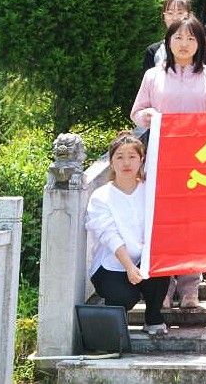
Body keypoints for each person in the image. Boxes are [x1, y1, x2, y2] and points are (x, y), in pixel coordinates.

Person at [131, 17, 206, 309]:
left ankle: (190, 288)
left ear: (200, 44)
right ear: (168, 41)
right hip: (163, 160)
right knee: (163, 225)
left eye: (191, 38)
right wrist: (149, 116)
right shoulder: (153, 76)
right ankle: (163, 287)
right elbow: (137, 112)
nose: (184, 44)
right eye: (178, 38)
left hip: (198, 162)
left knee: (193, 225)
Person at [86, 132, 170, 336]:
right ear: (111, 162)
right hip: (112, 265)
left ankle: (153, 317)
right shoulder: (101, 196)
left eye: (132, 157)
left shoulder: (150, 191)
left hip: (145, 260)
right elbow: (110, 235)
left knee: (160, 272)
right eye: (120, 157)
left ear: (141, 160)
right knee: (125, 296)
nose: (126, 163)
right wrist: (130, 268)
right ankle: (114, 318)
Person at [143, 0, 192, 73]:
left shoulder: (198, 47)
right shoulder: (153, 51)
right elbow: (148, 80)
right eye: (170, 13)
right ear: (164, 17)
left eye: (180, 13)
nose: (175, 18)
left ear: (188, 16)